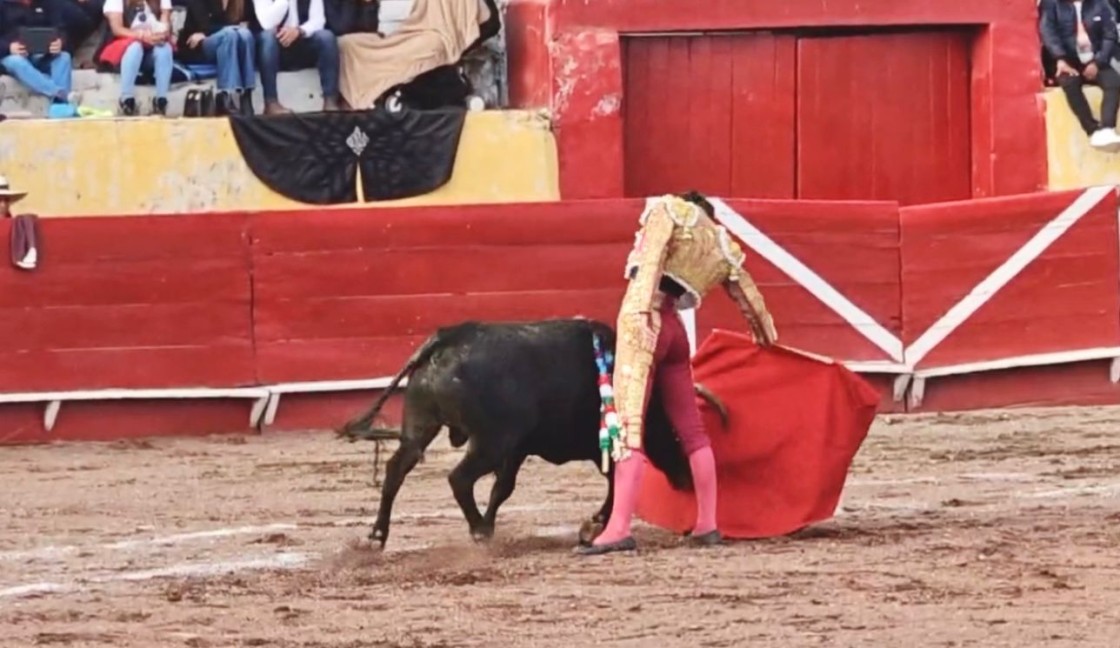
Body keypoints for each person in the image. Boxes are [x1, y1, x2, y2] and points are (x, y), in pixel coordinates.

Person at [576, 191, 778, 557]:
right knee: (693, 432)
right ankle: (707, 524)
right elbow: (752, 301)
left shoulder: (670, 210)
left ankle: (618, 528)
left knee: (628, 426)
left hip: (644, 321)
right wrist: (766, 341)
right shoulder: (720, 244)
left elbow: (652, 258)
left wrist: (638, 308)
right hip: (675, 331)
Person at [337, 0, 495, 111]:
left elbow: (489, 23)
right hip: (405, 35)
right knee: (348, 45)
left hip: (434, 38)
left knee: (430, 45)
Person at [1039, 0, 1120, 150]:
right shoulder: (1051, 4)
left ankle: (1107, 128)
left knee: (1114, 82)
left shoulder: (1100, 4)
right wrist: (1060, 59)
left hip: (1096, 60)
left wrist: (1097, 62)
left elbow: (1110, 35)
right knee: (1070, 84)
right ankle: (1093, 130)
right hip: (1067, 61)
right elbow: (1048, 33)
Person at [250, 0, 341, 114]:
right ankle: (271, 102)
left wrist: (299, 31)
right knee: (267, 37)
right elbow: (267, 23)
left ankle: (330, 100)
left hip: (300, 42)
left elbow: (319, 20)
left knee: (326, 37)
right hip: (271, 49)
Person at [178, 0, 257, 115]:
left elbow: (250, 22)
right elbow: (203, 25)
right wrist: (233, 28)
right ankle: (226, 94)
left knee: (246, 34)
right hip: (198, 47)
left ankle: (246, 95)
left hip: (227, 40)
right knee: (230, 34)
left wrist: (235, 29)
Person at [99, 0, 175, 116]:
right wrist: (142, 36)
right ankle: (127, 100)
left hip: (151, 48)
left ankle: (161, 100)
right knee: (135, 47)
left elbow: (165, 24)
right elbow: (117, 29)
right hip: (124, 50)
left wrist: (161, 35)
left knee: (164, 49)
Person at [0, 0, 76, 114]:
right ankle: (61, 94)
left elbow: (61, 29)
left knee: (64, 57)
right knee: (16, 62)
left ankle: (60, 110)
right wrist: (9, 47)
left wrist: (60, 42)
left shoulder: (48, 3)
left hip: (43, 55)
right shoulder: (3, 5)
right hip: (12, 56)